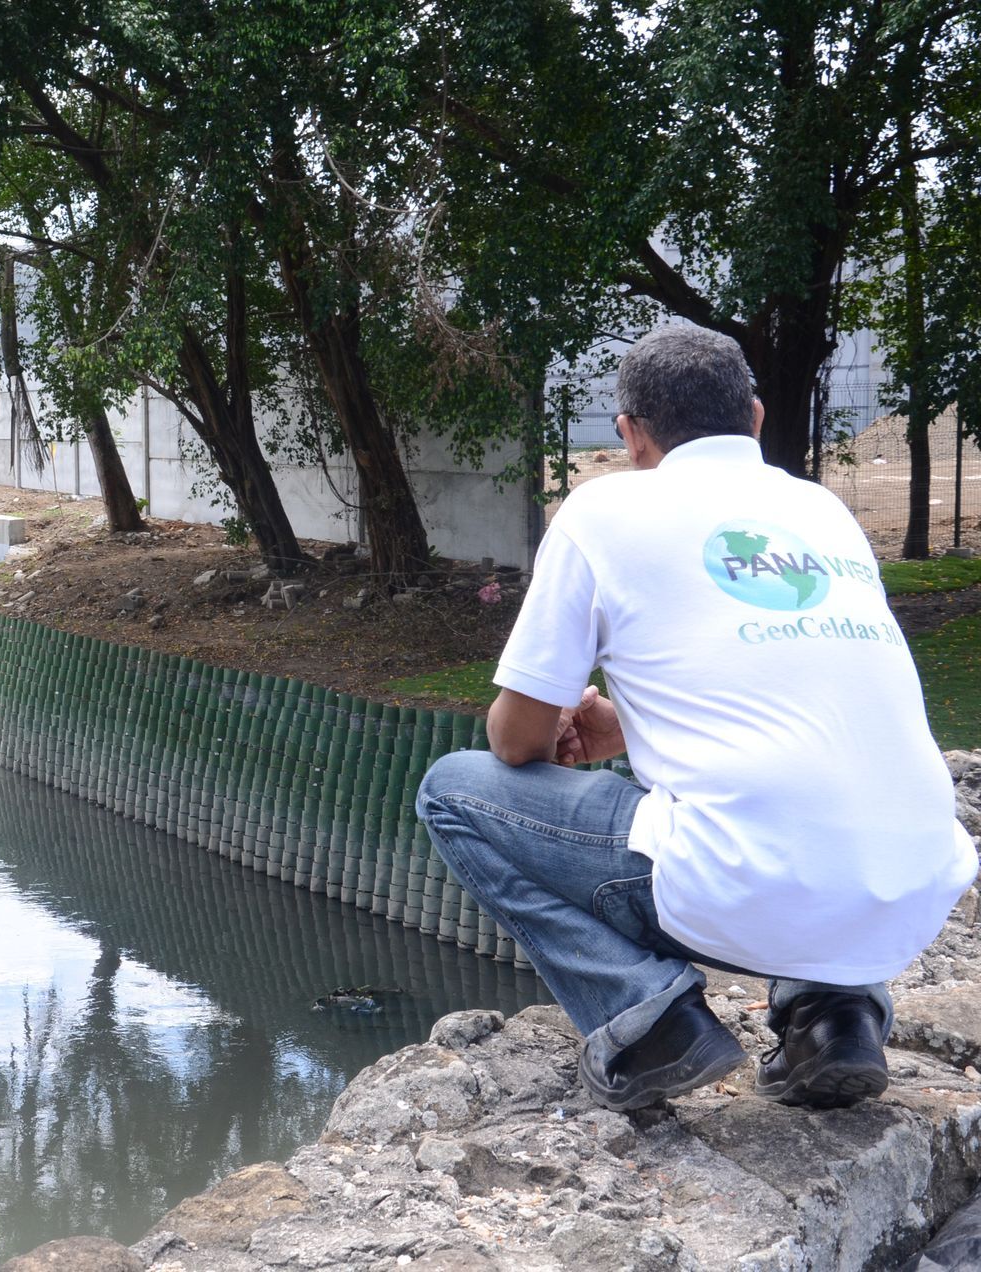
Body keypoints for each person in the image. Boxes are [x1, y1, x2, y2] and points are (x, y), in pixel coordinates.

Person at [415, 325, 977, 1112]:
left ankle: (649, 1022)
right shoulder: (822, 512)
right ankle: (834, 1015)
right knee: (814, 791)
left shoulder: (601, 509)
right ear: (753, 416)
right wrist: (630, 725)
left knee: (452, 790)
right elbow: (787, 696)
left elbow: (513, 741)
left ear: (631, 435)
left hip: (737, 893)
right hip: (908, 892)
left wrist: (572, 728)